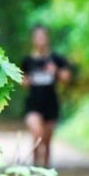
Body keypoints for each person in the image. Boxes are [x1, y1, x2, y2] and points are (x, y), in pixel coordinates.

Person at [21, 24, 72, 168]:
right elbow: (22, 81)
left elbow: (67, 77)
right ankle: (35, 168)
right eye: (38, 37)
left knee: (47, 141)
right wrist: (27, 80)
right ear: (33, 39)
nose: (41, 40)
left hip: (51, 103)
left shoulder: (56, 58)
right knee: (37, 135)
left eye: (43, 36)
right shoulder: (27, 61)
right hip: (33, 103)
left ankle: (46, 171)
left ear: (47, 38)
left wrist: (55, 71)